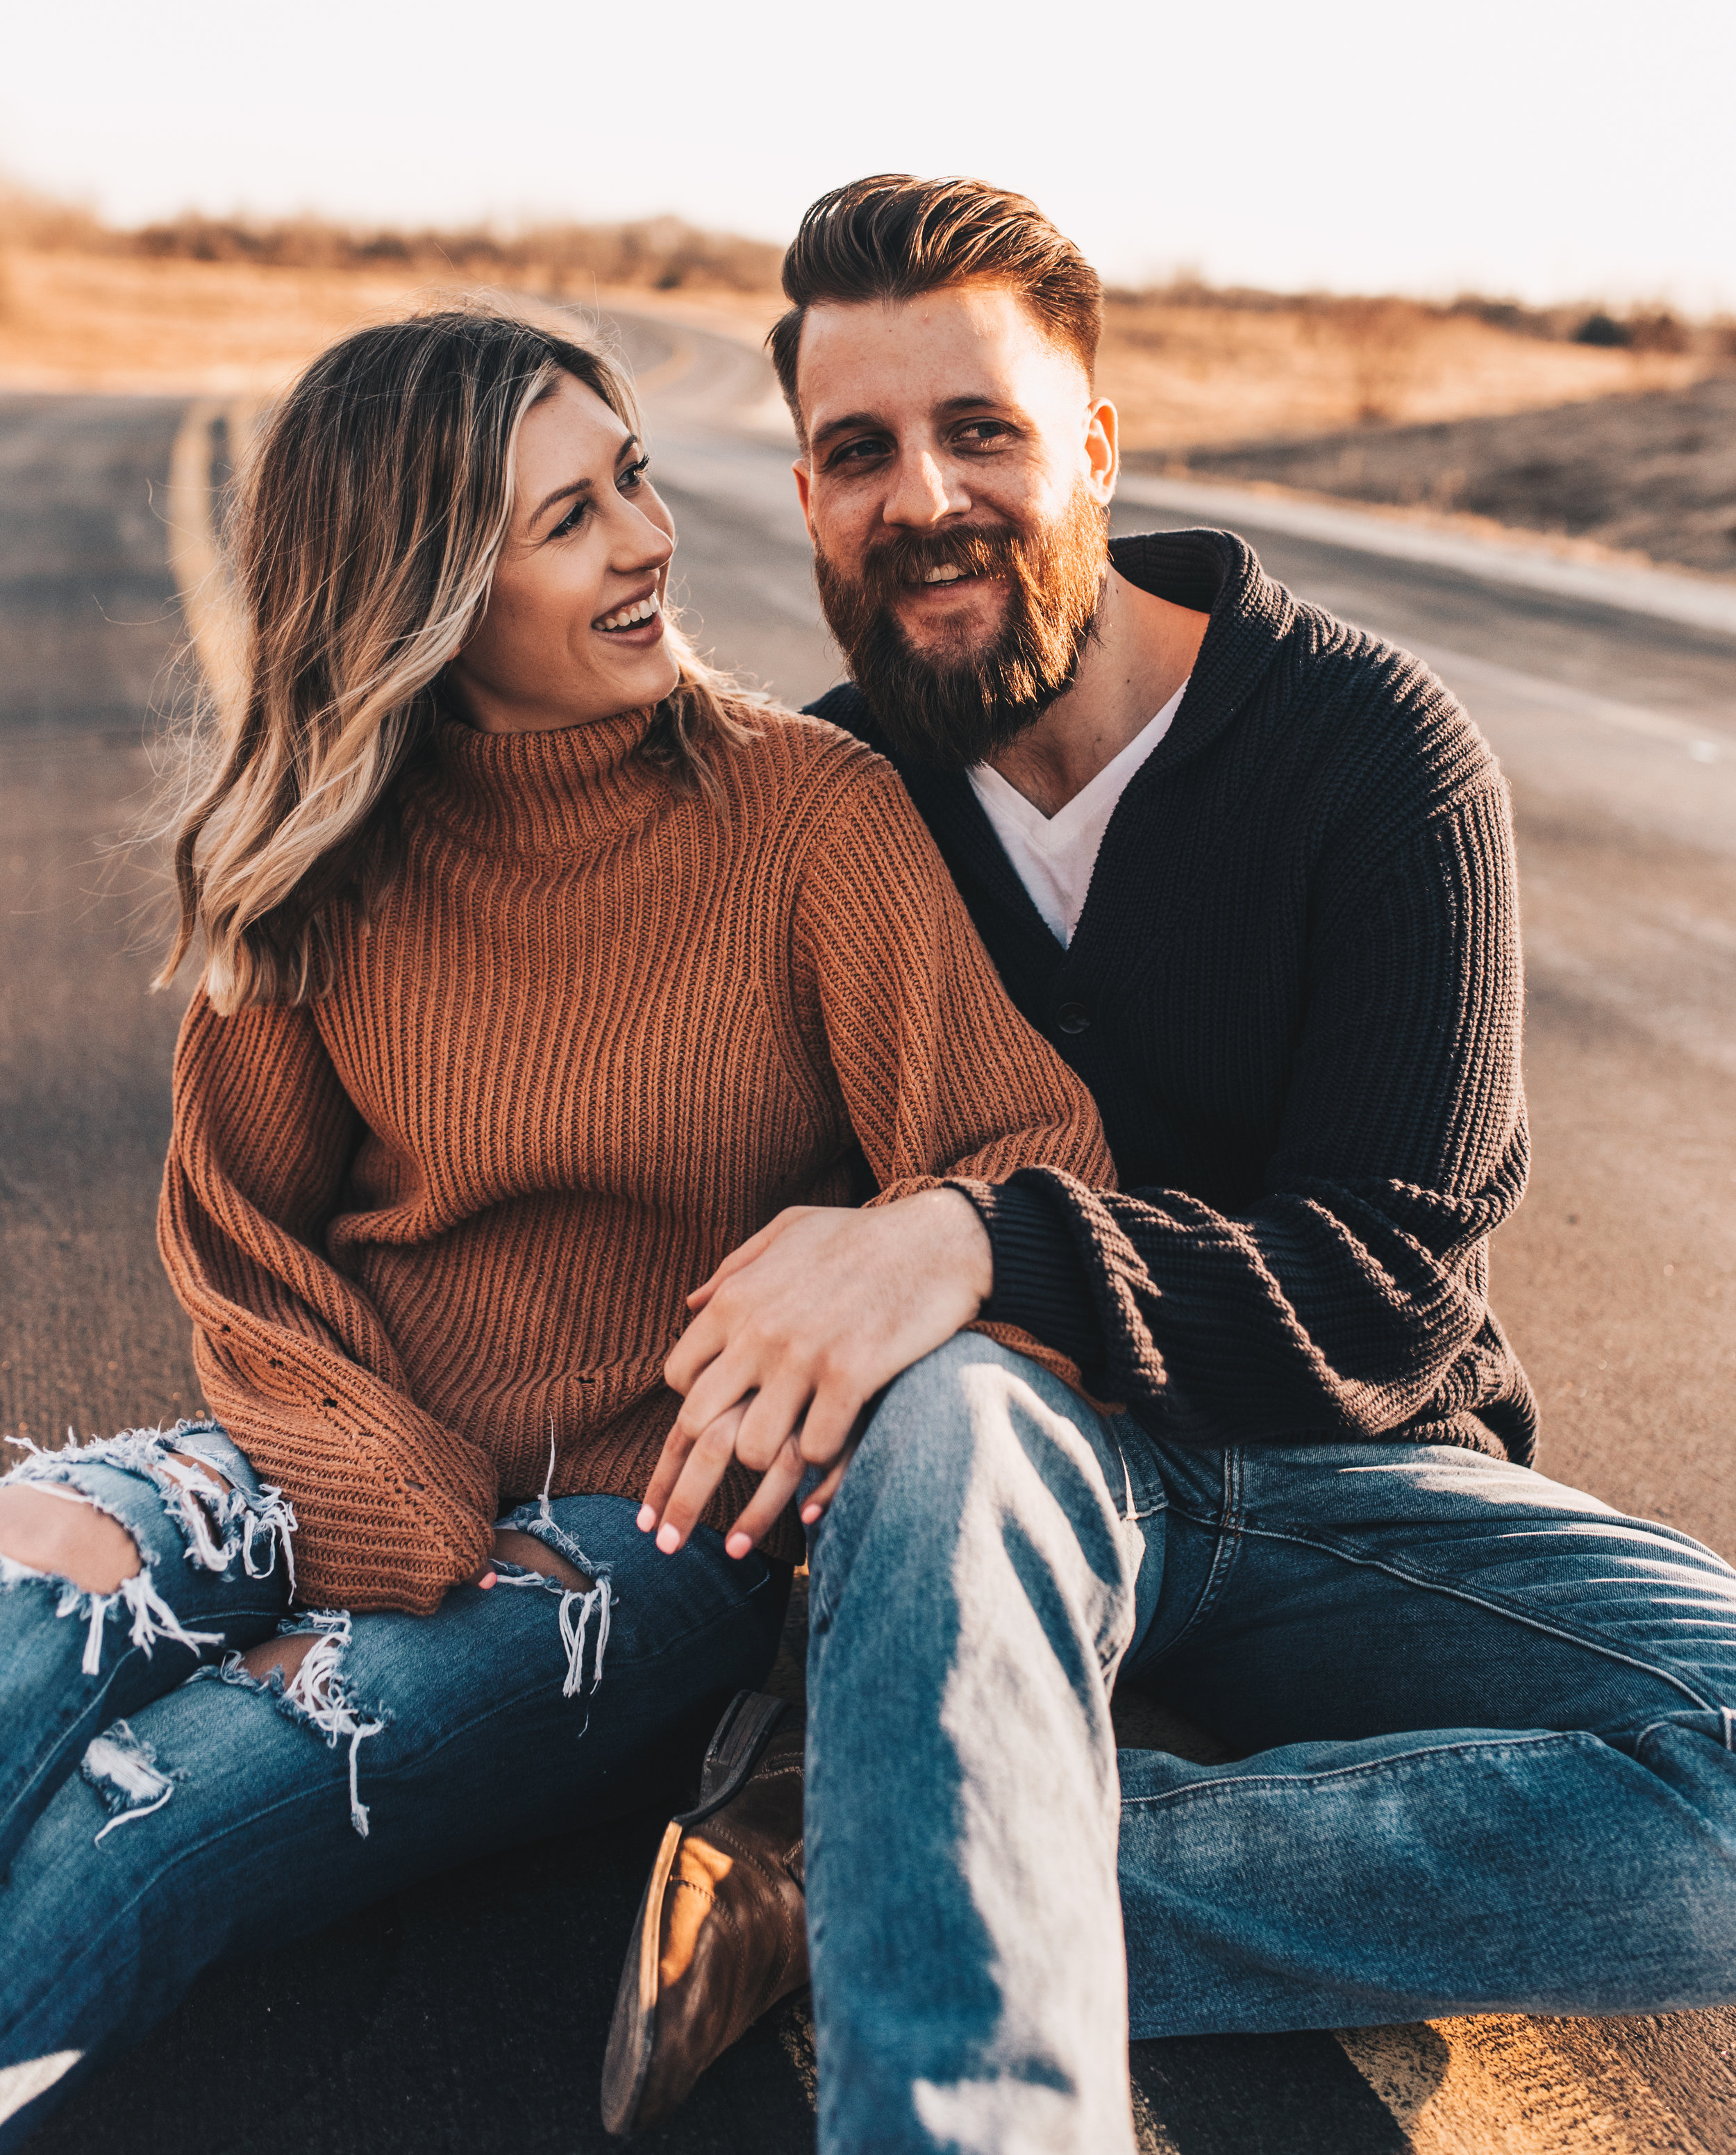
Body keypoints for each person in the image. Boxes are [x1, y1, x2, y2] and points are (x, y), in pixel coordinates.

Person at [608, 176, 1736, 2153]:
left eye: (982, 429)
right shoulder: (811, 803)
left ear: (1097, 448)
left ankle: (881, 1867)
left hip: (1348, 1468)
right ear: (802, 499)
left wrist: (976, 1234)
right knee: (951, 1405)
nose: (922, 495)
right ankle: (944, 1896)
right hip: (998, 1462)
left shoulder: (1372, 750)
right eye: (855, 451)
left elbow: (1388, 1283)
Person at [0, 303, 1116, 2146]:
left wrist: (876, 1311)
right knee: (35, 1556)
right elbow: (240, 1240)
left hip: (648, 1513)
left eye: (633, 479)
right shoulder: (321, 847)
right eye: (567, 517)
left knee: (160, 1798)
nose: (643, 540)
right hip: (336, 1444)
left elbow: (1020, 1146)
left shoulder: (805, 814)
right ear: (429, 589)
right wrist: (368, 1477)